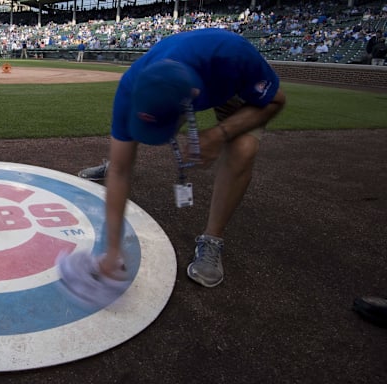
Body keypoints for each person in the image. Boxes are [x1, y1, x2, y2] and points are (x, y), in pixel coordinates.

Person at [75, 28, 286, 289]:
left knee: (243, 150)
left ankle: (212, 239)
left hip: (232, 86)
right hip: (183, 81)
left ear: (192, 104)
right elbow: (121, 172)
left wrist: (220, 134)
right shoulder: (131, 86)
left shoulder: (234, 56)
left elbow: (276, 101)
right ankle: (112, 157)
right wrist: (112, 250)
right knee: (121, 159)